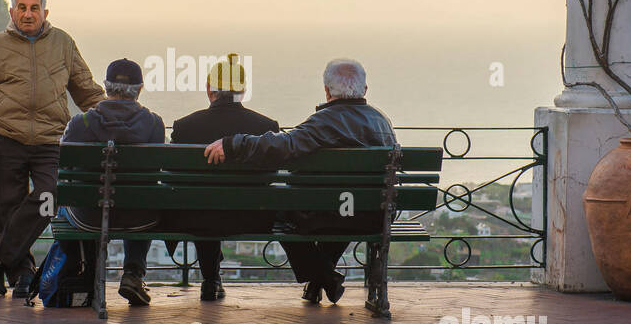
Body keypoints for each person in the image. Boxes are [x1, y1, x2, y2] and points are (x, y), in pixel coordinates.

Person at [202, 58, 396, 306]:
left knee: (283, 215)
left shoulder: (325, 122)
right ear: (365, 90)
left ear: (326, 90)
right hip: (372, 216)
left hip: (328, 214)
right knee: (347, 209)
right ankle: (319, 281)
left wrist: (234, 143)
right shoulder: (382, 122)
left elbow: (285, 145)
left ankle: (324, 278)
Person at [0, 0, 104, 300]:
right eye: (22, 7)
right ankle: (23, 276)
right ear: (12, 12)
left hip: (50, 140)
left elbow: (86, 91)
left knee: (49, 195)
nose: (28, 13)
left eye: (34, 8)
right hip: (3, 139)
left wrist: (111, 115)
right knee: (8, 210)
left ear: (45, 13)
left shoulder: (63, 44)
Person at [167, 54, 279, 301]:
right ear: (243, 90)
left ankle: (210, 279)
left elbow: (173, 179)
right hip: (252, 217)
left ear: (209, 89)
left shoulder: (185, 126)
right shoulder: (266, 126)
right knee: (213, 204)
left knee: (204, 203)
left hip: (197, 218)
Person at [61, 58, 166, 306]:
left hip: (89, 216)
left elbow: (63, 169)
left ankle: (88, 273)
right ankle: (132, 273)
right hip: (138, 218)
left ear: (106, 87)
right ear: (139, 89)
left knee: (65, 203)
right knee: (141, 198)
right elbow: (155, 174)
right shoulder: (154, 124)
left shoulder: (81, 123)